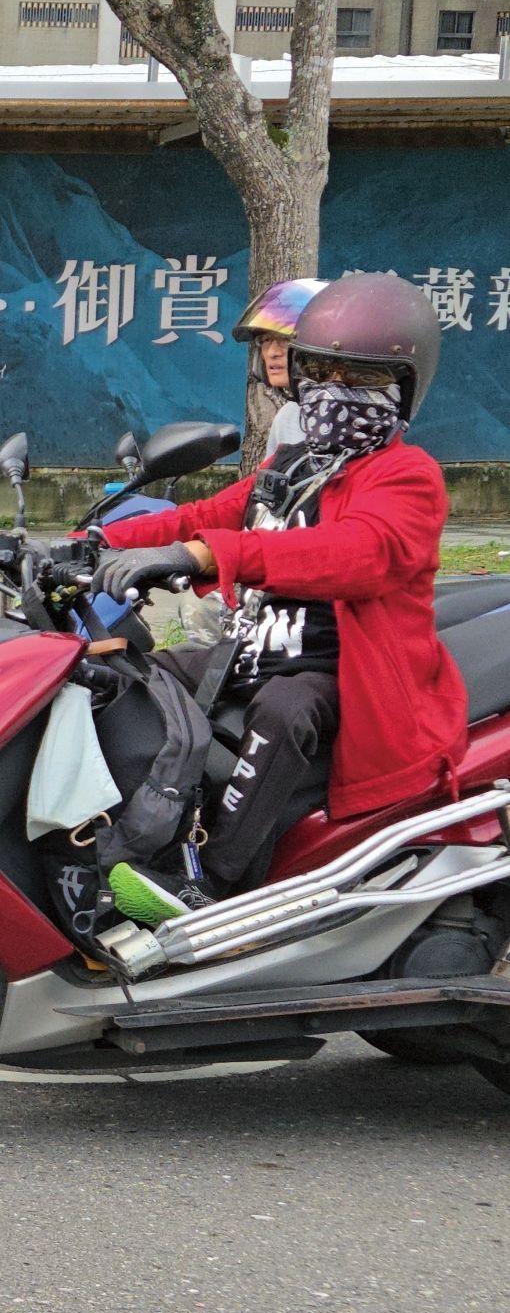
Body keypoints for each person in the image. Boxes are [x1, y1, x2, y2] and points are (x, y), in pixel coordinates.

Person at [90, 271, 466, 919]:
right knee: (123, 675)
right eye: (320, 370)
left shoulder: (408, 475)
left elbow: (358, 552)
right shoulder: (292, 464)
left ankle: (216, 885)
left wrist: (210, 555)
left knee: (285, 708)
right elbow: (204, 516)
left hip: (343, 671)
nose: (334, 390)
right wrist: (89, 541)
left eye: (361, 377)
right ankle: (131, 830)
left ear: (404, 389)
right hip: (253, 649)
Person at [231, 276, 327, 454]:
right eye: (265, 340)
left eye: (285, 339)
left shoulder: (367, 416)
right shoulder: (288, 416)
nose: (272, 353)